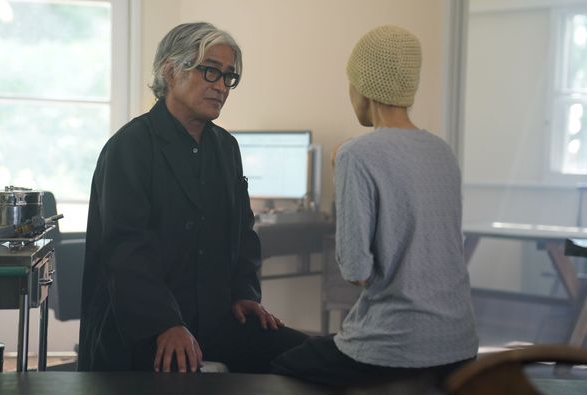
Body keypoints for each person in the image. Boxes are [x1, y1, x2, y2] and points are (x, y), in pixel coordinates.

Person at [78, 22, 307, 373]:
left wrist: (245, 293)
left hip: (214, 319)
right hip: (140, 326)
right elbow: (126, 249)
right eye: (210, 71)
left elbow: (242, 233)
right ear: (171, 71)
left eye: (228, 76)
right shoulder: (130, 147)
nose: (221, 86)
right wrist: (165, 323)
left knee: (312, 358)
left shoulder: (226, 148)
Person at [271, 25, 479, 386]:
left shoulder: (356, 154)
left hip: (393, 346)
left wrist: (340, 171)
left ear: (362, 88)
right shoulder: (442, 152)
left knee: (281, 368)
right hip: (459, 345)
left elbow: (356, 270)